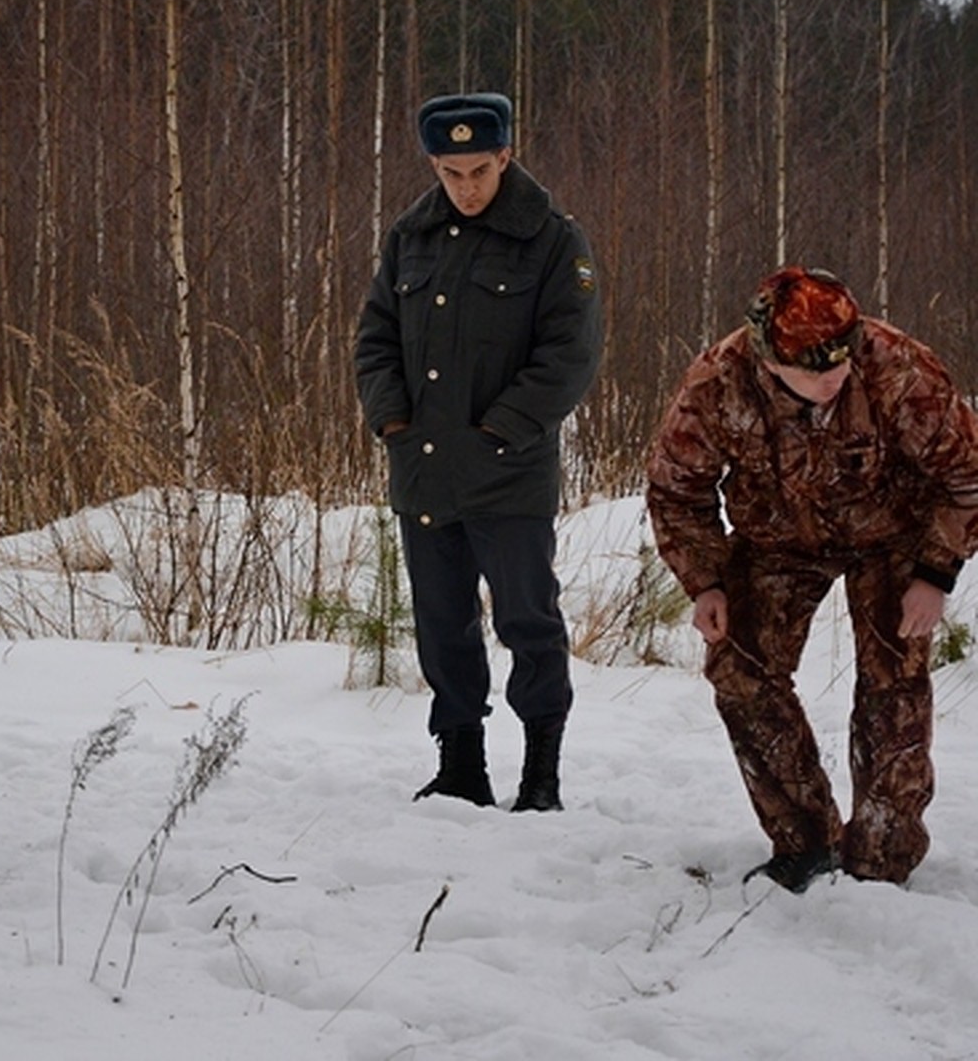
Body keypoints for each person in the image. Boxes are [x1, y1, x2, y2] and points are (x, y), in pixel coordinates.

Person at [646, 266, 978, 891]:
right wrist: (707, 582)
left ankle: (881, 860)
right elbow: (675, 491)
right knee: (739, 669)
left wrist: (935, 571)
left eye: (841, 363)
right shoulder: (719, 382)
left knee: (893, 675)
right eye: (812, 369)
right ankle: (805, 843)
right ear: (771, 359)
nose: (832, 378)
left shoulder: (898, 369)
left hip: (893, 533)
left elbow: (967, 479)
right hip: (778, 538)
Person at [355, 92, 603, 811]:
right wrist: (392, 418)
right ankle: (461, 764)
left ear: (505, 156)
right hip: (425, 470)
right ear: (433, 164)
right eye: (450, 171)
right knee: (442, 622)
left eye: (478, 170)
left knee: (528, 619)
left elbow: (572, 352)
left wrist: (502, 429)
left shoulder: (552, 238)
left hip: (509, 471)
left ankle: (541, 771)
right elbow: (375, 338)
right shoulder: (412, 235)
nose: (465, 187)